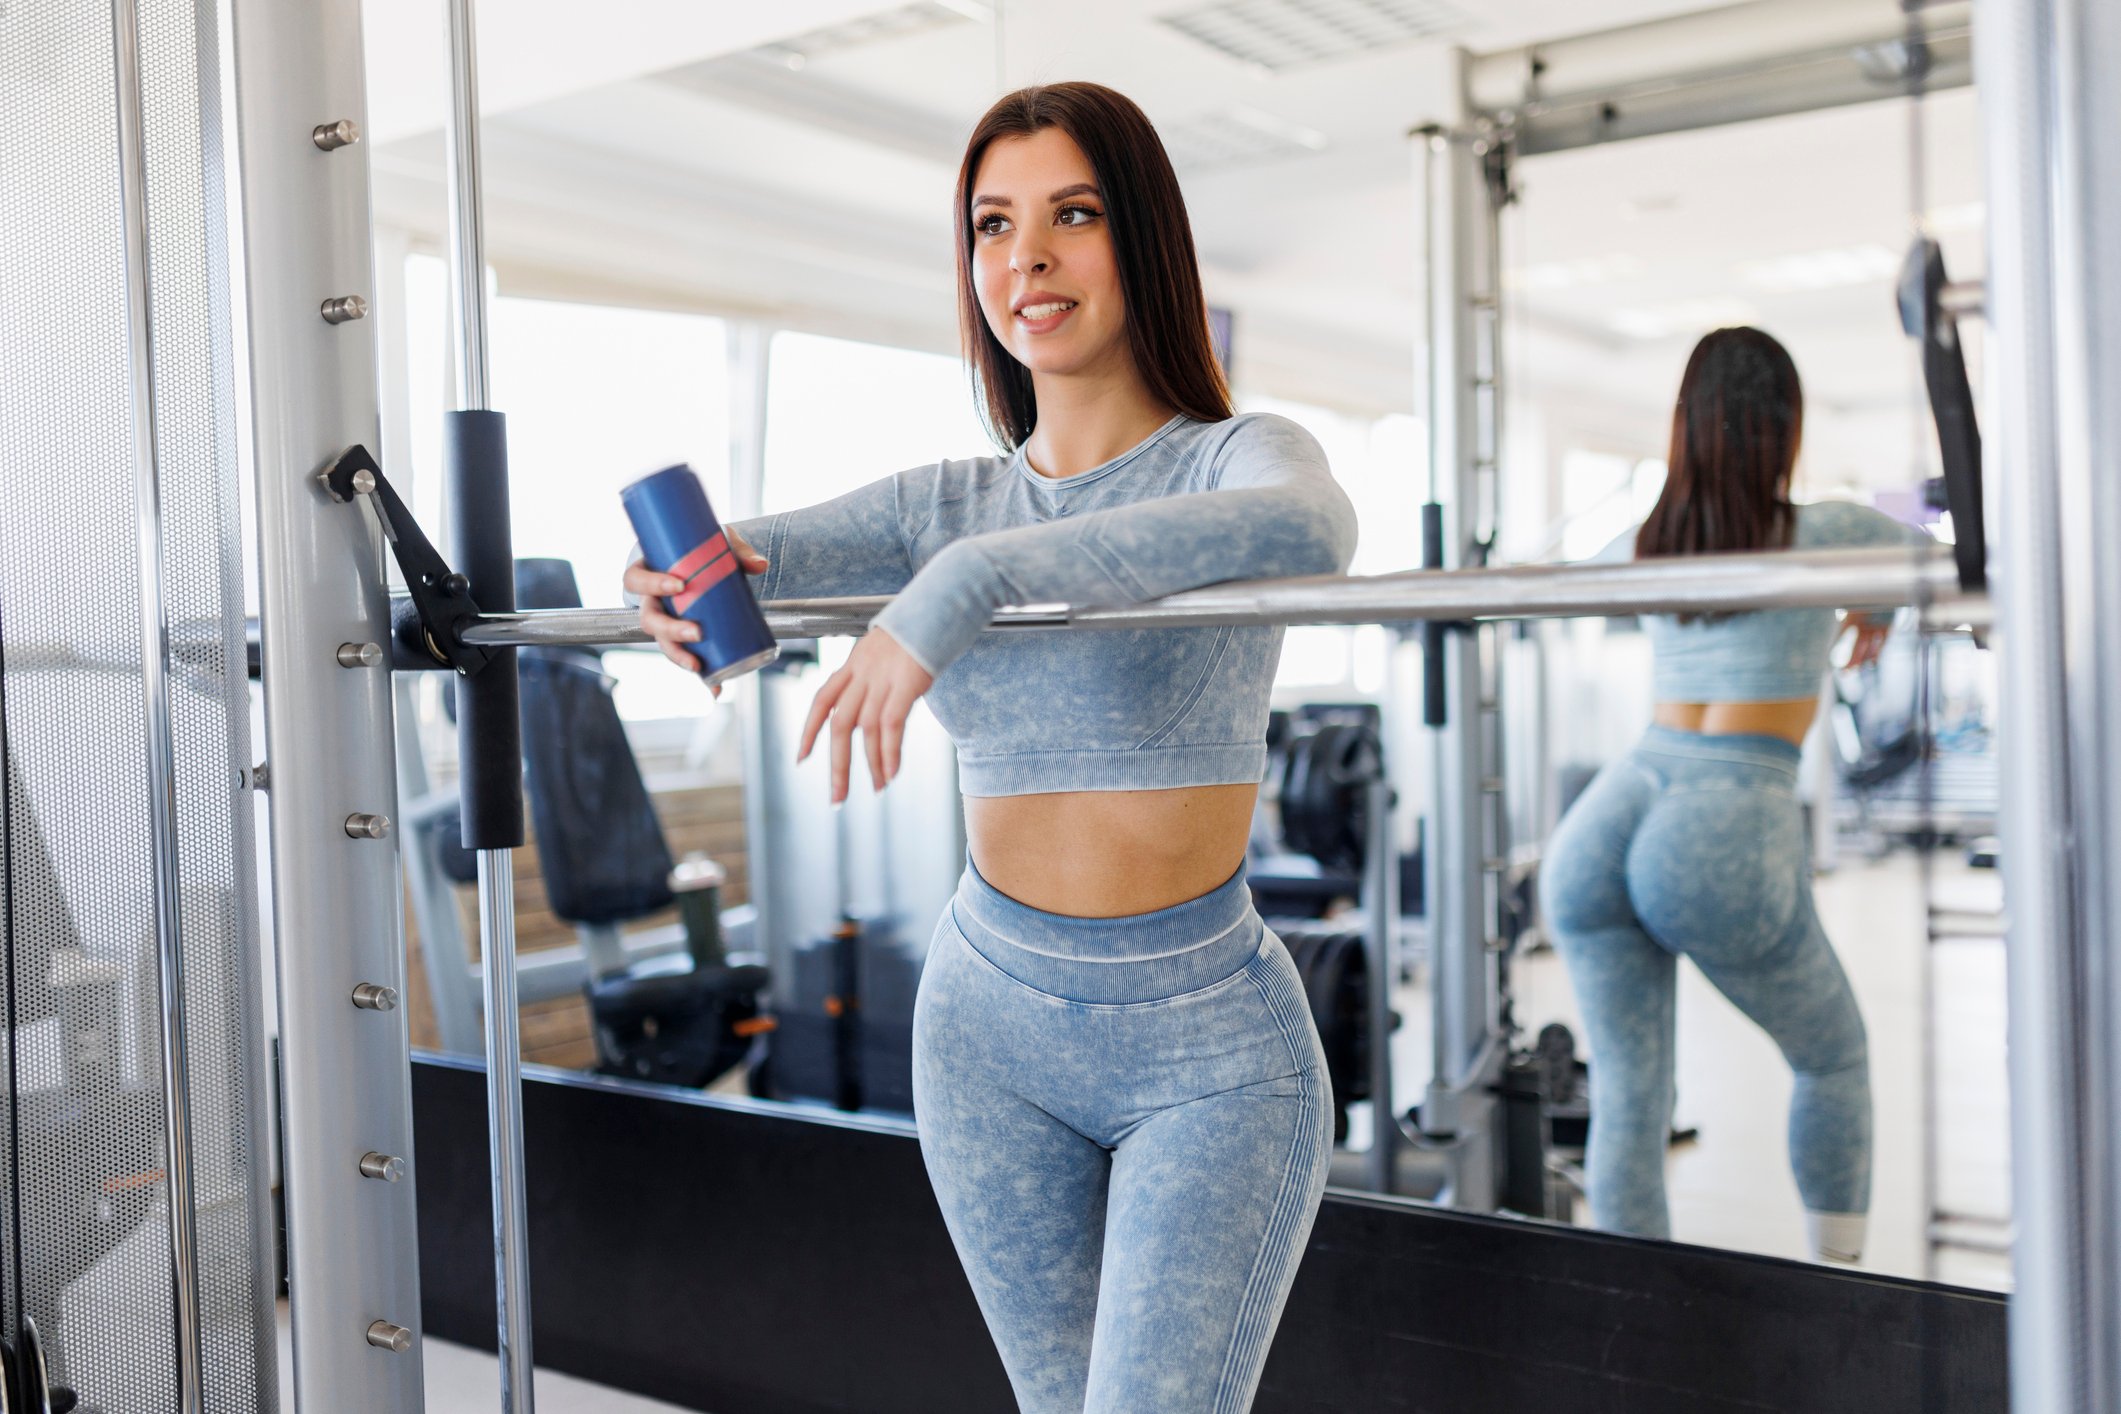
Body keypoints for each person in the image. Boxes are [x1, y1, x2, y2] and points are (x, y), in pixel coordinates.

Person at [628, 83, 1355, 1413]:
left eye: (1071, 215)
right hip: (986, 1028)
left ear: (1142, 239)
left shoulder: (1236, 457)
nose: (1025, 257)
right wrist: (677, 582)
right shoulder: (940, 503)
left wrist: (960, 588)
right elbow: (743, 551)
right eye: (992, 224)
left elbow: (1312, 531)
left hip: (1207, 1048)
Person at [1539, 326, 1926, 1264]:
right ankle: (1835, 1286)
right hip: (1723, 812)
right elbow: (1944, 558)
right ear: (1782, 427)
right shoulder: (1827, 532)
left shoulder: (1644, 544)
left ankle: (1628, 1301)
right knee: (1830, 1057)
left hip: (1613, 810)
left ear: (1687, 426)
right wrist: (1872, 605)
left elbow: (1559, 579)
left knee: (1632, 1088)